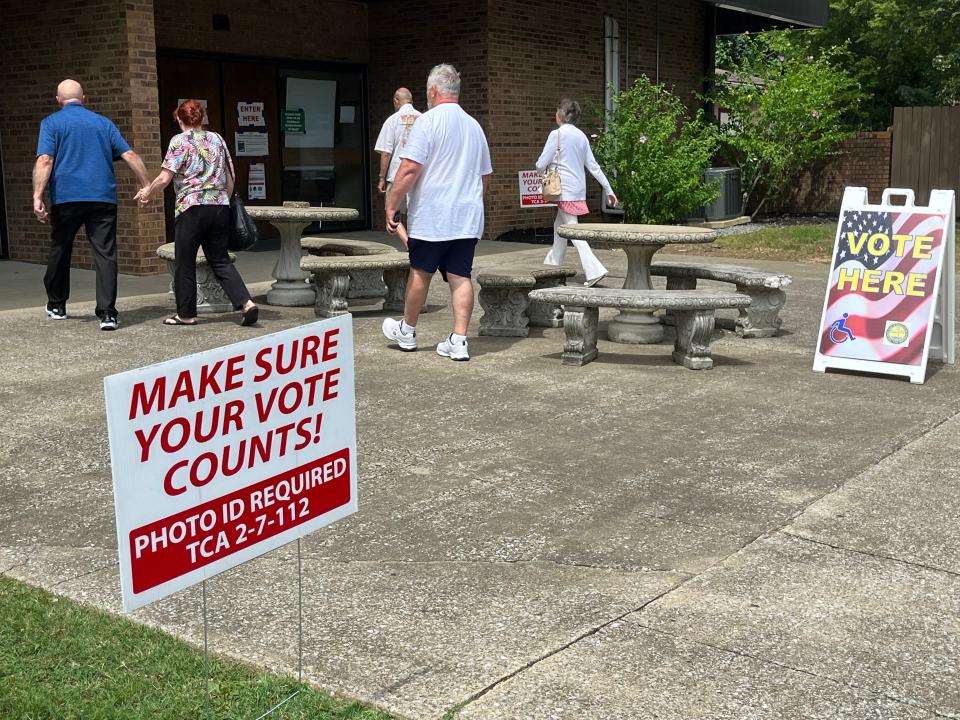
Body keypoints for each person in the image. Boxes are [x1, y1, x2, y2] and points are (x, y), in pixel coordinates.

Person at [382, 64, 492, 361]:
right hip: (466, 216)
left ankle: (407, 330)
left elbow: (409, 169)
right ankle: (459, 339)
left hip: (433, 215)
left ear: (432, 91)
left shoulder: (427, 122)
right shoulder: (475, 126)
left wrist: (392, 204)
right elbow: (484, 178)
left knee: (421, 271)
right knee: (460, 275)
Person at [32, 79, 152, 330]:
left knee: (61, 248)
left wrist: (37, 196)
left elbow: (45, 159)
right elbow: (129, 154)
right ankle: (108, 314)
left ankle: (57, 304)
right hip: (102, 198)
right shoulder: (103, 123)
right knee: (106, 254)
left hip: (66, 198)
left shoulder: (52, 123)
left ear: (58, 100)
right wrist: (145, 185)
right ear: (84, 98)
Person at [134, 99, 259, 327]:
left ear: (180, 119)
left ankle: (186, 314)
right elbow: (231, 177)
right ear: (202, 119)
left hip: (190, 208)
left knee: (185, 261)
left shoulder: (179, 141)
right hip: (219, 206)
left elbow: (164, 178)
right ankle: (246, 303)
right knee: (220, 259)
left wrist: (147, 194)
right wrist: (225, 201)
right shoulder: (217, 139)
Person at [536, 98, 618, 287]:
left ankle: (595, 269)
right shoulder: (581, 136)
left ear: (561, 115)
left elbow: (541, 164)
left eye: (557, 112)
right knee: (560, 227)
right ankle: (551, 266)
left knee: (572, 230)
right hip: (577, 190)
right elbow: (593, 166)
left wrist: (542, 170)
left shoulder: (555, 135)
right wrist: (609, 189)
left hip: (562, 190)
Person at [374, 87, 421, 213]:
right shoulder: (423, 119)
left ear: (396, 101)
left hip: (397, 175)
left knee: (393, 214)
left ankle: (403, 234)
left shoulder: (392, 120)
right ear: (411, 101)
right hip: (419, 176)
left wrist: (382, 178)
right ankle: (411, 233)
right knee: (416, 214)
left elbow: (386, 153)